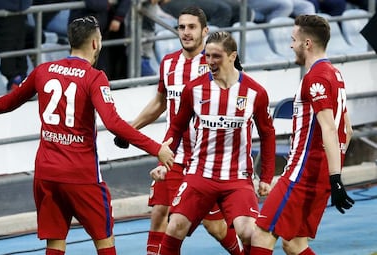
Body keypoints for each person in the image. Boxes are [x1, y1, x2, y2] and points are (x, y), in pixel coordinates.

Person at [0, 15, 174, 255]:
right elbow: (113, 122)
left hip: (47, 173)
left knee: (55, 242)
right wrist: (156, 148)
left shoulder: (43, 70)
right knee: (104, 240)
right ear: (95, 44)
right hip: (81, 175)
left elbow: (11, 101)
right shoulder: (94, 77)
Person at [114, 7, 245, 255]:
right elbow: (160, 102)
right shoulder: (168, 63)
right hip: (171, 155)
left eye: (192, 27)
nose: (185, 32)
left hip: (204, 161)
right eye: (181, 27)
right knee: (160, 213)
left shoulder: (215, 65)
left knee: (214, 225)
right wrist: (129, 130)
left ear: (205, 31)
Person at [155, 31, 276, 255]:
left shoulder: (254, 92)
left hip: (237, 178)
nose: (210, 62)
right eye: (207, 56)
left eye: (216, 56)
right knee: (174, 226)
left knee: (249, 232)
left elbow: (268, 135)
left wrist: (267, 177)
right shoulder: (194, 89)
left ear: (232, 56)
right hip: (200, 174)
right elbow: (176, 127)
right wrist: (164, 159)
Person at [250, 14, 355, 255]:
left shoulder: (315, 77)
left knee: (262, 233)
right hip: (316, 174)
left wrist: (335, 177)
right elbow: (347, 130)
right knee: (295, 244)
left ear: (306, 43)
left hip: (302, 173)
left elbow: (329, 128)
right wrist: (331, 174)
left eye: (293, 39)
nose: (290, 45)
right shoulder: (335, 74)